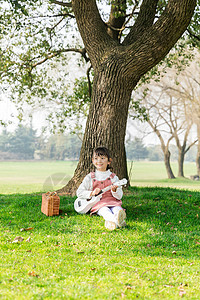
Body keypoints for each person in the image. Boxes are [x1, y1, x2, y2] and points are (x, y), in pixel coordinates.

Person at [76, 146, 126, 230]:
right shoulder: (90, 177)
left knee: (117, 209)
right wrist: (91, 193)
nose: (99, 161)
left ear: (109, 161)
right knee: (104, 210)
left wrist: (114, 191)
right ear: (92, 160)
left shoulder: (114, 178)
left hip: (113, 201)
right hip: (99, 204)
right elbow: (79, 192)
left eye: (102, 158)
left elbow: (119, 196)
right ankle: (117, 222)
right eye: (96, 158)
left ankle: (115, 221)